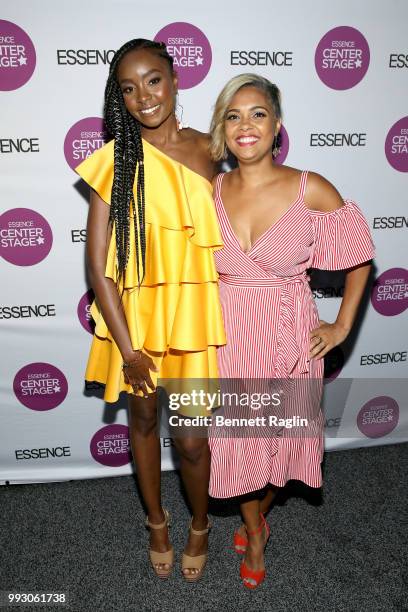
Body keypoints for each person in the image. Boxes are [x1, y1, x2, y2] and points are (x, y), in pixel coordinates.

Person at [207, 74, 375, 589]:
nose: (246, 126)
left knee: (280, 442)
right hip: (230, 336)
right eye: (233, 116)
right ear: (222, 128)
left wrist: (343, 323)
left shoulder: (310, 187)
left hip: (289, 335)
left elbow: (358, 253)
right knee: (235, 442)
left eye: (258, 113)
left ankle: (258, 519)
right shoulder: (209, 192)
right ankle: (255, 528)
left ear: (277, 125)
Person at [75, 39, 226, 581]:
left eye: (154, 80)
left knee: (190, 440)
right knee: (141, 420)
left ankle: (201, 524)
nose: (144, 97)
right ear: (120, 98)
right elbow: (98, 267)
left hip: (192, 317)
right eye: (129, 88)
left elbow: (243, 227)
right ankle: (157, 522)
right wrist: (129, 348)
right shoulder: (115, 160)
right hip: (131, 321)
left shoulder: (212, 150)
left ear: (175, 78)